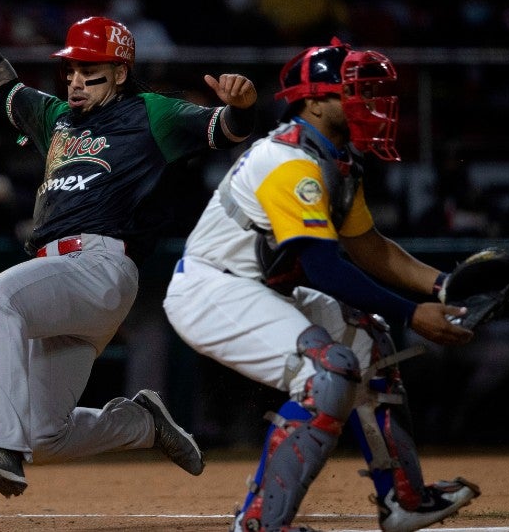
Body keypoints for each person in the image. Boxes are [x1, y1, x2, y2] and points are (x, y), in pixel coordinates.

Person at [0, 0, 258, 498]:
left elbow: (225, 129)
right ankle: (142, 425)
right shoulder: (56, 118)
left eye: (91, 70)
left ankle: (3, 449)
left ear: (121, 71)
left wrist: (240, 106)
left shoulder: (150, 111)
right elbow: (0, 85)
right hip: (67, 283)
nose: (76, 80)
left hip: (98, 264)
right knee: (46, 432)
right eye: (72, 69)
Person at [163, 38, 480, 532]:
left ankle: (404, 499)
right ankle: (261, 522)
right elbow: (324, 268)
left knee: (369, 338)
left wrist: (443, 287)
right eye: (351, 92)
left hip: (259, 288)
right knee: (328, 371)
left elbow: (370, 248)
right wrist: (414, 313)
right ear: (312, 101)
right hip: (211, 290)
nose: (368, 103)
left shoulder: (334, 161)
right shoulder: (289, 162)